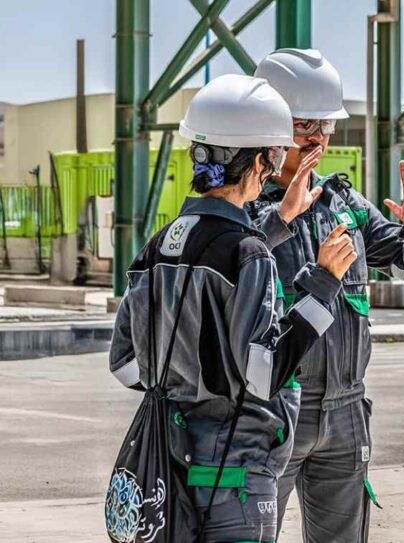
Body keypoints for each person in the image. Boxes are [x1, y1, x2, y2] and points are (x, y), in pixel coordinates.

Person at [108, 73, 358, 542]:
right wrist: (322, 285)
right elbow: (262, 376)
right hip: (236, 481)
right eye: (278, 151)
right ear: (262, 159)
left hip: (171, 470)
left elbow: (124, 364)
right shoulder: (248, 254)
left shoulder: (158, 247)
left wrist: (185, 385)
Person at [250, 48, 404, 542]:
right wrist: (283, 221)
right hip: (270, 411)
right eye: (305, 126)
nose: (318, 139)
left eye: (326, 126)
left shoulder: (345, 206)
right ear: (270, 127)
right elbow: (233, 266)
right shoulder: (244, 209)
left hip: (344, 415)